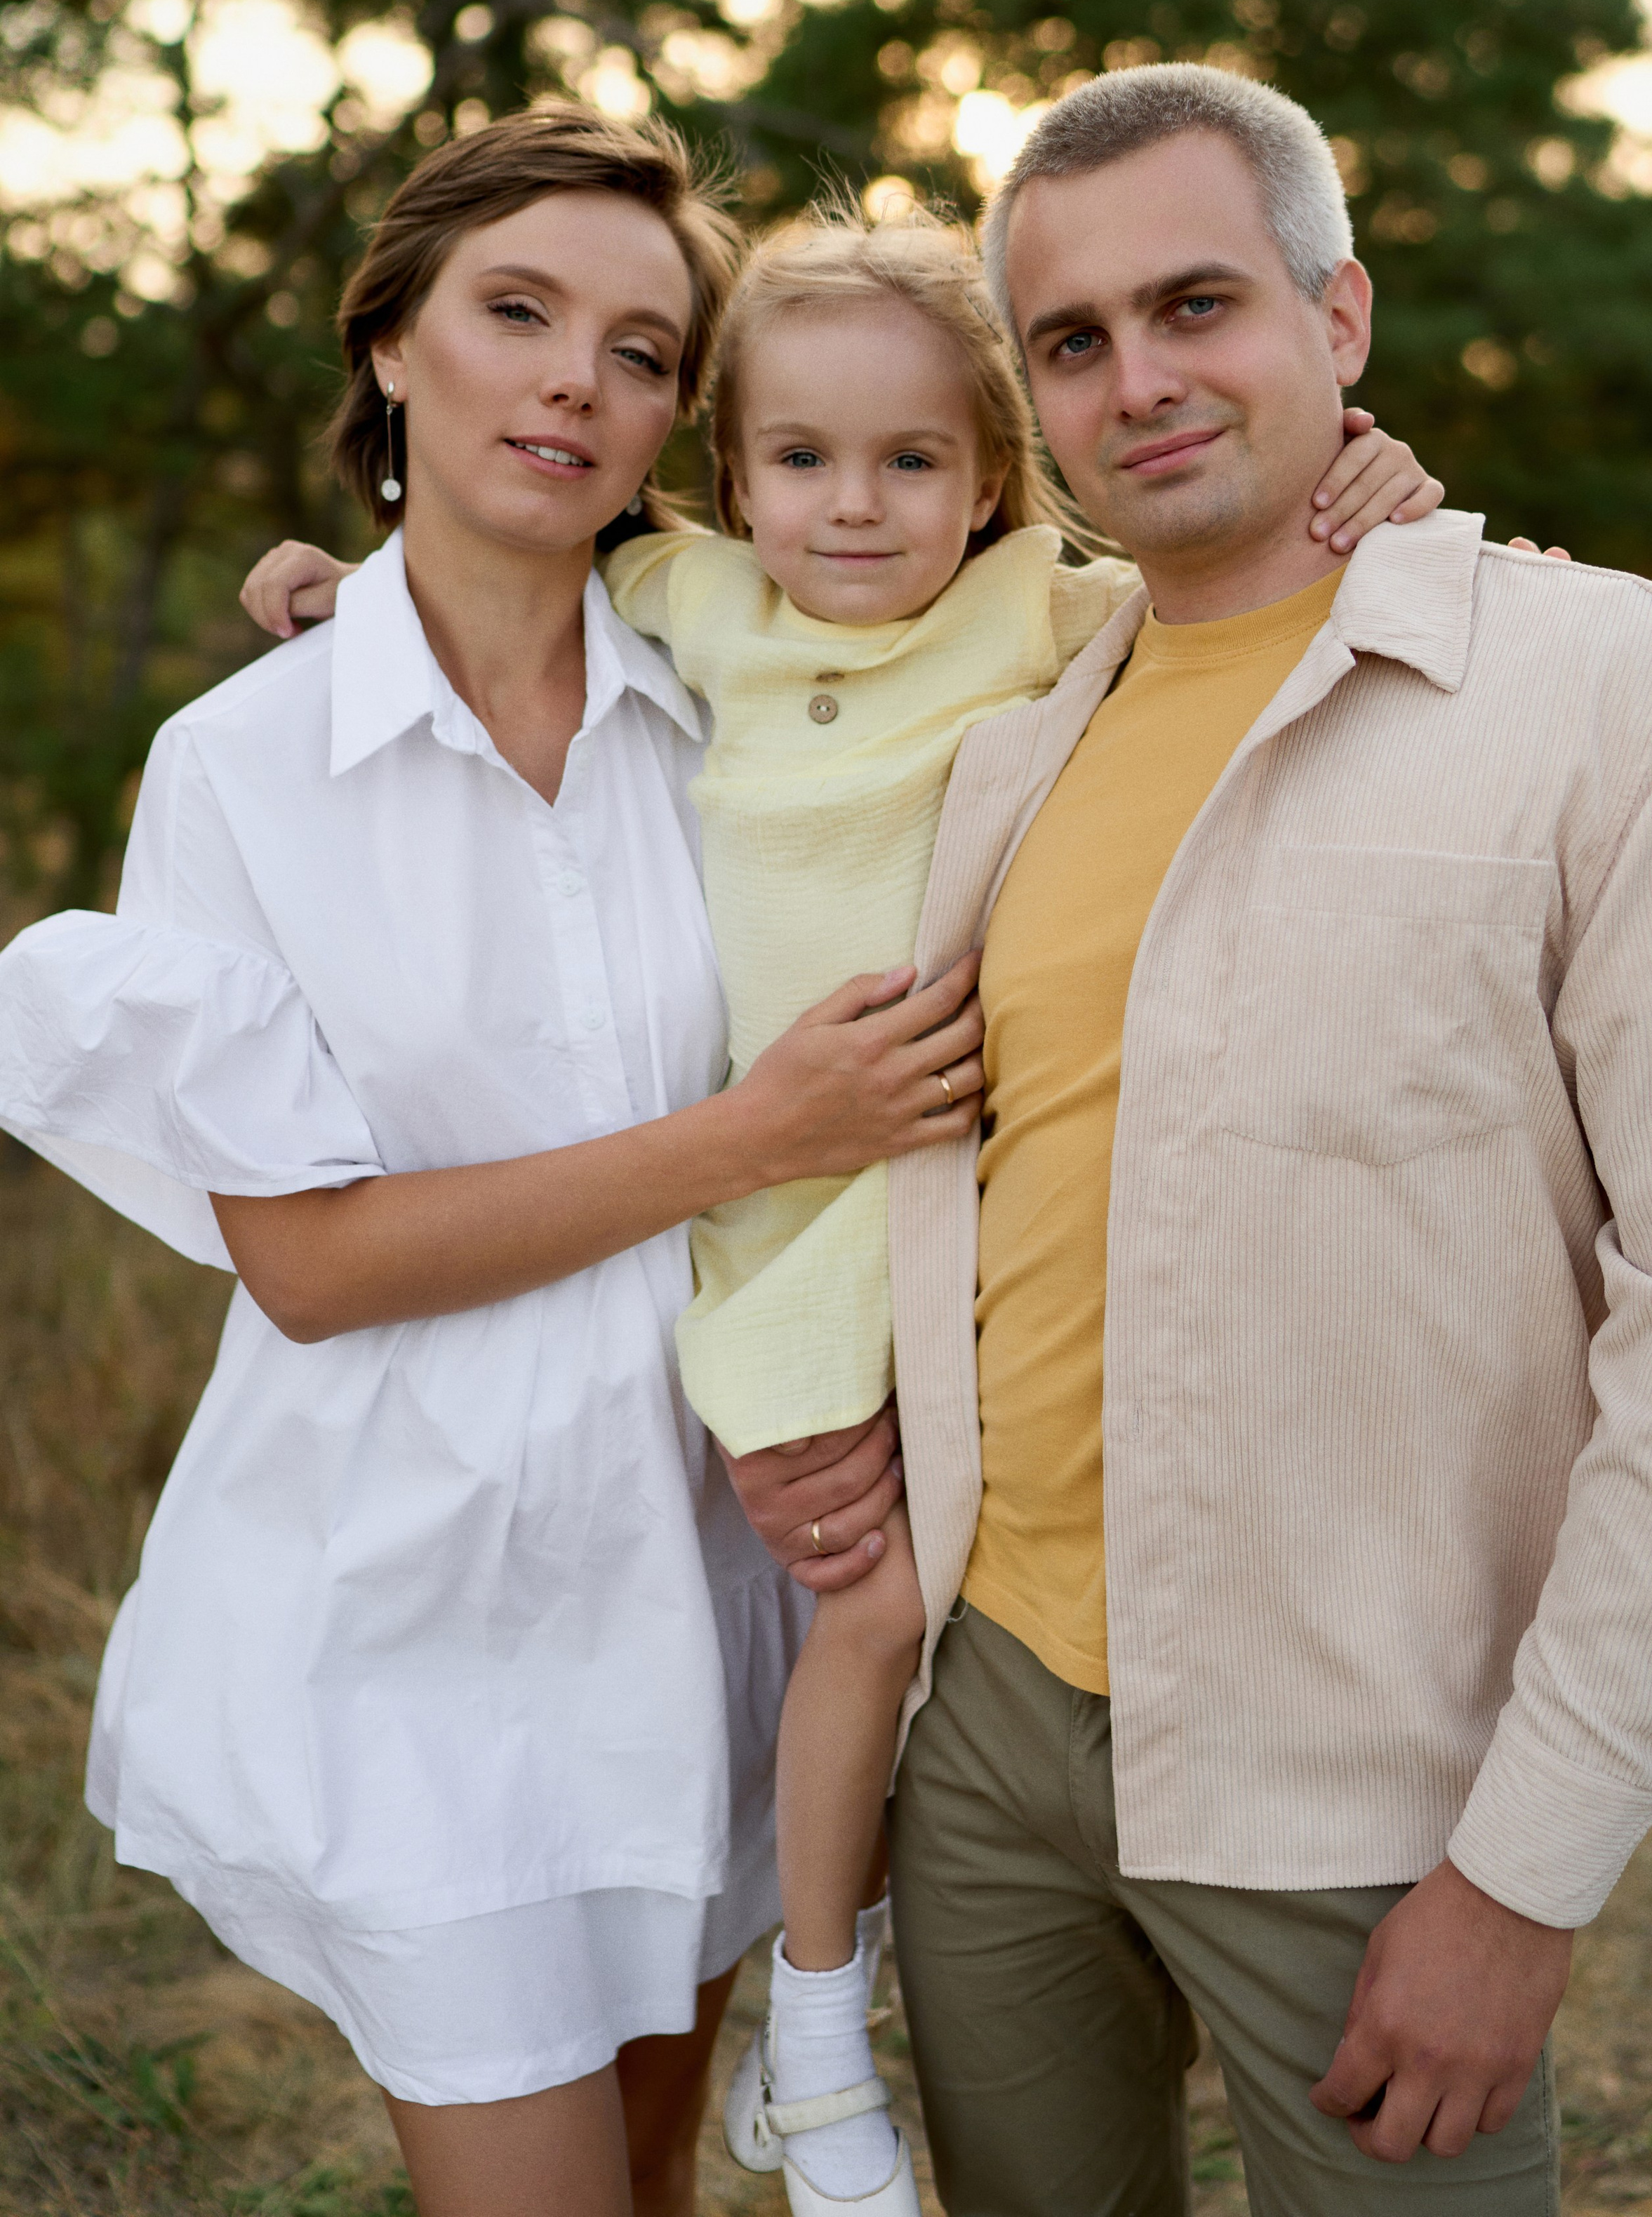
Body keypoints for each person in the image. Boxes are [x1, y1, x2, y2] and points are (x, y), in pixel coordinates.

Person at [239, 197, 1444, 2215]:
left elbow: (1256, 568)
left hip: (971, 1227)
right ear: (734, 483)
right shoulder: (698, 606)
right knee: (870, 1605)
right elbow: (489, 564)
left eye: (913, 463)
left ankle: (944, 1953)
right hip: (792, 1239)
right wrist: (318, 581)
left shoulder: (1052, 609)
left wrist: (1385, 483)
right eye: (799, 461)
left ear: (996, 481)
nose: (856, 509)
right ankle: (819, 2024)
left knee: (978, 1618)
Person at [725, 62, 1652, 2216]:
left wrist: (1528, 1875)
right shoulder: (1008, 732)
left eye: (1198, 303)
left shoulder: (1619, 694)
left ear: (1343, 318)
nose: (1143, 378)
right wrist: (345, 599)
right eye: (1075, 341)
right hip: (988, 1735)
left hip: (1378, 1780)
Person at [0, 105, 997, 2217]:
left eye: (642, 354)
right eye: (517, 312)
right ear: (390, 347)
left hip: (714, 1582)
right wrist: (756, 1131)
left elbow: (1102, 610)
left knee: (651, 2184)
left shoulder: (742, 704)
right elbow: (314, 1263)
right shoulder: (248, 765)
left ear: (676, 426)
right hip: (417, 1618)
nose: (575, 380)